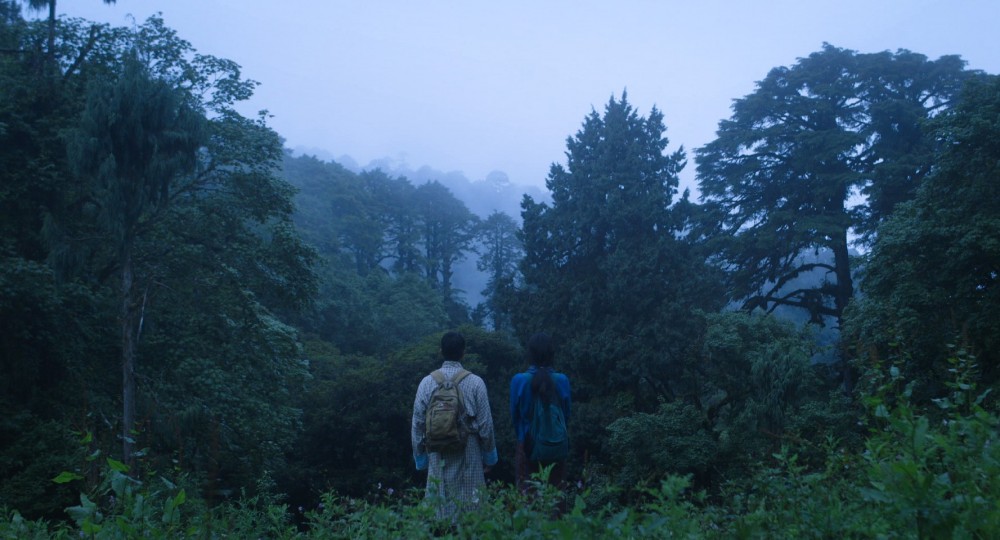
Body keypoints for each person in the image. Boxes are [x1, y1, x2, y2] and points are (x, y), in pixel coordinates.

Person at [411, 331, 498, 522]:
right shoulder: (476, 382)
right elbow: (486, 424)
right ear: (463, 353)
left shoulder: (426, 383)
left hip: (437, 452)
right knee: (472, 510)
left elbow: (417, 424)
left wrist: (420, 458)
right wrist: (489, 456)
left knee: (440, 508)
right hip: (470, 450)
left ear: (441, 351)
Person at [509, 332, 571, 493]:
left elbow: (515, 417)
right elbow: (566, 415)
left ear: (530, 353)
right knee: (556, 498)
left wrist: (523, 438)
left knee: (527, 498)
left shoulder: (519, 380)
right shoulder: (562, 380)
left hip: (527, 446)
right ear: (552, 353)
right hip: (556, 446)